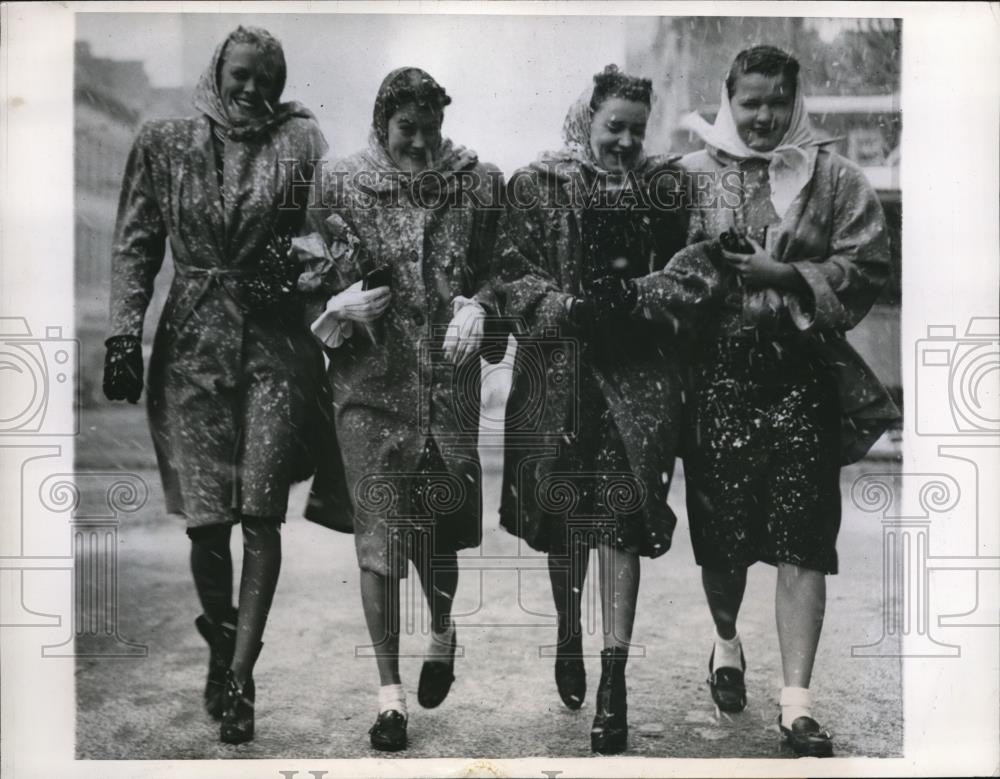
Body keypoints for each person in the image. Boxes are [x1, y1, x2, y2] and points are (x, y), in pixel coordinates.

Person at [646, 45, 900, 757]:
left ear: (796, 101)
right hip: (717, 385)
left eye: (776, 101)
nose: (763, 116)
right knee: (724, 542)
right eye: (750, 101)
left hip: (802, 382)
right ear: (728, 98)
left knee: (804, 536)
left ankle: (797, 706)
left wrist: (785, 273)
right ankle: (726, 641)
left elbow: (867, 264)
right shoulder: (687, 176)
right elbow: (654, 271)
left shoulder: (834, 177)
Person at [102, 26, 329, 745]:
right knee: (207, 519)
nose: (253, 89)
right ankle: (222, 640)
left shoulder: (301, 143)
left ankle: (239, 676)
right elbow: (136, 241)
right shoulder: (164, 142)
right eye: (241, 74)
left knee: (260, 511)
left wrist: (298, 269)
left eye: (268, 77)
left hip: (273, 345)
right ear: (217, 71)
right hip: (192, 344)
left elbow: (328, 231)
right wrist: (121, 333)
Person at [295, 67, 503, 752]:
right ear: (381, 124)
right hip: (369, 386)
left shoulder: (475, 180)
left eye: (430, 130)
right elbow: (307, 262)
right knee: (380, 538)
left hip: (445, 383)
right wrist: (334, 302)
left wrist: (481, 305)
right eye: (406, 130)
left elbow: (502, 267)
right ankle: (389, 699)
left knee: (434, 534)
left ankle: (442, 628)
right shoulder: (340, 180)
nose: (419, 143)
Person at [492, 65, 690, 754]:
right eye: (615, 127)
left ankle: (615, 678)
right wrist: (567, 305)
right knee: (566, 520)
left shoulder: (665, 189)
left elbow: (690, 271)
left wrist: (638, 295)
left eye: (637, 129)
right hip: (558, 373)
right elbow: (511, 275)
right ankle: (569, 632)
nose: (627, 141)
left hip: (632, 379)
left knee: (622, 521)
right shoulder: (536, 183)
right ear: (587, 119)